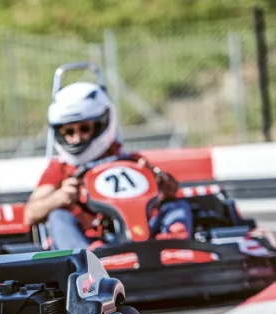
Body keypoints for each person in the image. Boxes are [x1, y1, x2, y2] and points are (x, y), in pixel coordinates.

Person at [23, 80, 193, 249]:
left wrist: (157, 179)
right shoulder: (60, 169)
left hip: (141, 234)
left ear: (101, 125)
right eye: (69, 131)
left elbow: (173, 191)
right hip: (91, 240)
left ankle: (175, 246)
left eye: (84, 129)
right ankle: (86, 259)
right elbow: (30, 214)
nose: (77, 138)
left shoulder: (128, 160)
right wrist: (60, 197)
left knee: (177, 204)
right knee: (58, 216)